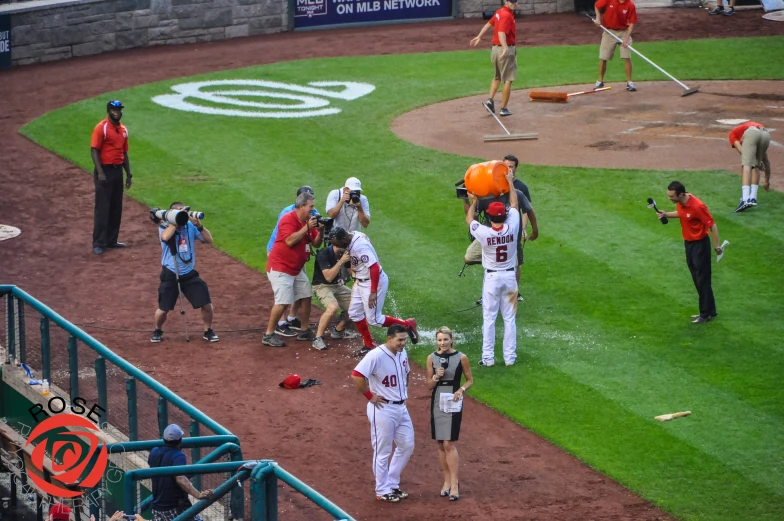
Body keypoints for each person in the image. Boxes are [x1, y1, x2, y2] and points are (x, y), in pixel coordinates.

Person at [328, 227, 418, 357]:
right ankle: (369, 345)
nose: (336, 247)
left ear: (344, 239)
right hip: (360, 281)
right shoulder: (353, 234)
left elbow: (374, 267)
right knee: (354, 313)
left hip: (372, 282)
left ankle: (407, 324)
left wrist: (373, 292)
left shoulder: (360, 247)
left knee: (375, 319)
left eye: (337, 243)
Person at [351, 324, 414, 503]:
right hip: (382, 409)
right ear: (389, 338)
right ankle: (382, 489)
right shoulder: (376, 355)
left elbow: (406, 373)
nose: (403, 343)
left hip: (401, 407)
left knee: (407, 445)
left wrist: (403, 392)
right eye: (400, 340)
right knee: (383, 451)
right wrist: (370, 396)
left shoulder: (402, 353)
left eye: (404, 340)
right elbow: (356, 375)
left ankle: (392, 483)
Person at [465, 170, 521, 366]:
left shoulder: (485, 233)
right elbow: (514, 205)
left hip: (492, 279)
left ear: (489, 216)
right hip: (510, 278)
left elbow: (469, 220)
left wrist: (474, 201)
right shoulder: (512, 226)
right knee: (509, 319)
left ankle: (488, 359)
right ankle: (510, 358)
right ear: (504, 216)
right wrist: (510, 183)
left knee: (489, 319)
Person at [656, 181, 723, 324]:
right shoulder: (681, 203)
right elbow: (683, 214)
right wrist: (666, 214)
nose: (669, 198)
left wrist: (716, 246)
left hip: (700, 245)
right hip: (689, 244)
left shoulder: (698, 206)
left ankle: (704, 314)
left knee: (702, 279)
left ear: (681, 194)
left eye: (671, 196)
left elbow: (713, 226)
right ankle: (710, 310)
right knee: (696, 277)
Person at [263, 192, 324, 347]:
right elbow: (290, 241)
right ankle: (268, 335)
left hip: (296, 269)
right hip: (280, 268)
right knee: (283, 302)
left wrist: (321, 231)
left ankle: (304, 330)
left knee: (306, 295)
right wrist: (307, 227)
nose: (313, 210)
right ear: (302, 206)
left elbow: (316, 244)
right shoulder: (288, 219)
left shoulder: (307, 221)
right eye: (311, 207)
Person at [152, 202, 217, 343]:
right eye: (178, 212)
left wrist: (199, 225)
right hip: (170, 272)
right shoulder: (165, 226)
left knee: (206, 303)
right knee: (163, 309)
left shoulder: (190, 227)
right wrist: (175, 223)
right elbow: (165, 237)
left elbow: (209, 240)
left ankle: (208, 330)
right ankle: (158, 329)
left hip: (188, 272)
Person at [426, 326, 473, 502]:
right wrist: (436, 377)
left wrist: (461, 389)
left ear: (451, 339)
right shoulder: (431, 358)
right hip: (438, 400)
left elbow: (469, 380)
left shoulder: (461, 357)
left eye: (445, 339)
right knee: (440, 444)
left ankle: (454, 483)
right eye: (439, 340)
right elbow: (429, 385)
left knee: (448, 443)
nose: (442, 343)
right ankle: (446, 481)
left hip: (453, 400)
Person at [90, 100, 132, 255]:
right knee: (103, 208)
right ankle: (98, 242)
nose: (117, 112)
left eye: (119, 109)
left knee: (116, 207)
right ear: (108, 110)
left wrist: (128, 174)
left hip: (117, 171)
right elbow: (94, 150)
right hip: (104, 170)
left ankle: (111, 240)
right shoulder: (102, 128)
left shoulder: (123, 130)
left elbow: (124, 153)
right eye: (114, 109)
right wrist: (100, 172)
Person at [148, 424, 213, 521]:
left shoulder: (154, 451)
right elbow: (180, 479)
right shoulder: (178, 456)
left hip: (157, 508)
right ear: (180, 440)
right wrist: (198, 495)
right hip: (174, 508)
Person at [310, 228, 360, 351]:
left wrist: (359, 278)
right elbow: (328, 277)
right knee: (332, 307)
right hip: (321, 285)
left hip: (337, 285)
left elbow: (351, 271)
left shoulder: (345, 253)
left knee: (358, 305)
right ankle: (318, 338)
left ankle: (338, 330)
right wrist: (341, 262)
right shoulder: (324, 254)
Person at [470, 0, 518, 117]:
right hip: (504, 49)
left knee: (497, 76)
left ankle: (490, 101)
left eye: (515, 1)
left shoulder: (500, 12)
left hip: (495, 50)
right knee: (508, 79)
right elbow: (501, 32)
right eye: (511, 1)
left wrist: (479, 36)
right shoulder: (506, 15)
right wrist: (505, 48)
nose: (514, 3)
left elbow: (489, 24)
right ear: (506, 1)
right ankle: (504, 108)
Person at [503, 154, 533, 291]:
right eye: (505, 166)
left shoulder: (521, 187)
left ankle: (515, 291)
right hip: (499, 230)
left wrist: (524, 228)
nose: (508, 169)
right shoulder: (496, 184)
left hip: (514, 232)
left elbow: (526, 210)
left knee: (517, 262)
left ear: (516, 168)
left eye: (511, 166)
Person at [593, 0, 638, 92]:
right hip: (609, 32)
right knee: (603, 57)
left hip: (624, 32)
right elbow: (597, 6)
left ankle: (629, 82)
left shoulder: (630, 4)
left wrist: (626, 38)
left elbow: (632, 23)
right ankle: (600, 81)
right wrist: (598, 18)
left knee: (627, 57)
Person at [728, 121, 772, 212]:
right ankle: (752, 198)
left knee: (746, 165)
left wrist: (751, 160)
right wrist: (766, 181)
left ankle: (745, 199)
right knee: (755, 164)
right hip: (765, 134)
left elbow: (742, 152)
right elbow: (766, 163)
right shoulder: (749, 126)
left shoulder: (732, 134)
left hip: (752, 133)